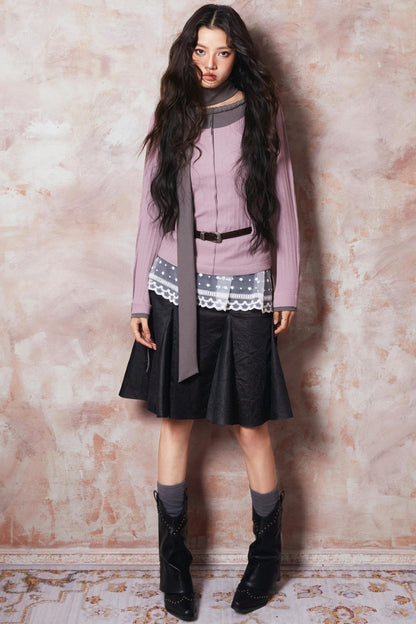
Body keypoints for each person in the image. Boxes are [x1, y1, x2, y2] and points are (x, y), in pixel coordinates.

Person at [119, 4, 300, 620]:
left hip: (246, 281)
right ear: (187, 53)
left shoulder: (263, 113)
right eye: (200, 51)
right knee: (176, 422)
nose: (209, 64)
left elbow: (285, 204)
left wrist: (285, 289)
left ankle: (266, 558)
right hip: (177, 286)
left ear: (237, 55)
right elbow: (151, 212)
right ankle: (173, 565)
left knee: (251, 425)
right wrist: (139, 298)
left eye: (222, 52)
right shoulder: (173, 113)